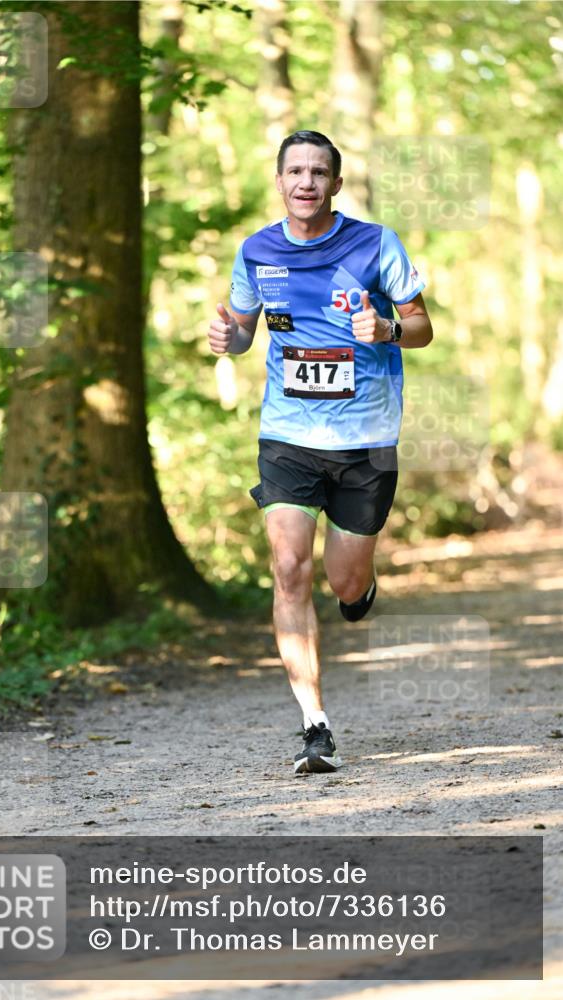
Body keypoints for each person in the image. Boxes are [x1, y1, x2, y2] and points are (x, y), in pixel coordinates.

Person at [207, 130, 433, 774]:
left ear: (336, 183)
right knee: (288, 569)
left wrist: (389, 328)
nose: (306, 182)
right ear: (279, 181)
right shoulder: (256, 252)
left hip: (365, 441)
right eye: (295, 171)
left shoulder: (375, 243)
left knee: (344, 581)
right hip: (288, 436)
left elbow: (422, 326)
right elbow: (245, 331)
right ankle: (315, 726)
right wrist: (229, 336)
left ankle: (360, 590)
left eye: (319, 172)